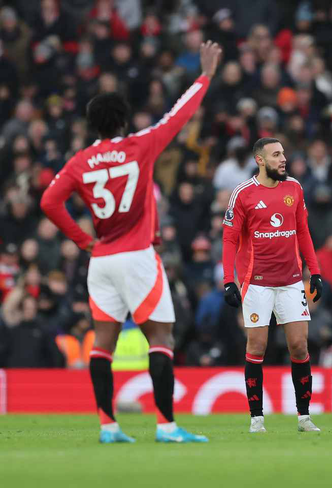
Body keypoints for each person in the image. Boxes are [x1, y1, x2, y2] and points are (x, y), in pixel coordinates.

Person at [40, 41, 224, 444]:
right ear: (123, 122)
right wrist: (205, 76)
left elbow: (49, 202)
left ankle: (108, 427)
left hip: (101, 260)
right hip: (137, 255)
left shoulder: (79, 162)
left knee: (102, 345)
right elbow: (179, 115)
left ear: (93, 124)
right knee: (161, 338)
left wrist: (84, 241)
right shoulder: (140, 146)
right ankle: (166, 426)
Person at [221, 137, 323, 434]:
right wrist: (230, 280)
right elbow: (229, 239)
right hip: (257, 284)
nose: (283, 159)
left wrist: (314, 271)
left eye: (283, 154)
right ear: (260, 160)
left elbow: (303, 230)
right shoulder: (243, 194)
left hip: (291, 281)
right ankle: (256, 419)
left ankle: (304, 417)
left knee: (299, 345)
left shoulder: (294, 188)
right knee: (257, 346)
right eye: (276, 154)